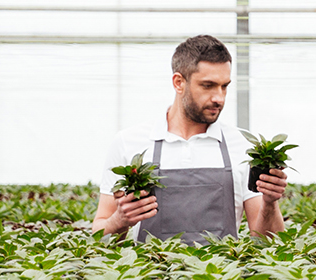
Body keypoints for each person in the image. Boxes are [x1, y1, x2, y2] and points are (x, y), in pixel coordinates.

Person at [91, 35, 289, 242]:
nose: (219, 98)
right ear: (179, 82)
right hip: (151, 274)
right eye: (208, 85)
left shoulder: (243, 145)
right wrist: (119, 220)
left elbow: (268, 243)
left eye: (224, 86)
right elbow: (99, 233)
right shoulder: (129, 142)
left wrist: (270, 202)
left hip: (221, 274)